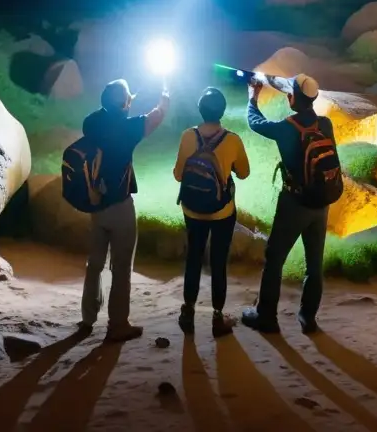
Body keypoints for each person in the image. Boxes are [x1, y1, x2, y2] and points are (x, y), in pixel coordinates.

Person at [79, 78, 170, 342]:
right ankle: (118, 323)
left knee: (94, 263)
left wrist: (118, 102)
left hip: (96, 205)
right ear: (125, 103)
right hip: (120, 206)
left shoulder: (91, 124)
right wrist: (165, 95)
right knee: (121, 267)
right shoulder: (129, 128)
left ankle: (87, 318)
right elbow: (157, 116)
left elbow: (104, 113)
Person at [241, 74, 333, 335]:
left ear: (293, 98)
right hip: (321, 203)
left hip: (295, 202)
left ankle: (266, 317)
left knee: (275, 258)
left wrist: (253, 96)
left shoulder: (287, 127)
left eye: (290, 94)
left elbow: (255, 122)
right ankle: (308, 317)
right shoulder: (325, 125)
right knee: (314, 263)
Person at [173, 87, 251, 338]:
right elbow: (244, 172)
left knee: (193, 258)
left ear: (200, 110)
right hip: (222, 212)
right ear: (222, 112)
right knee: (218, 261)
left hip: (192, 209)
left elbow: (178, 175)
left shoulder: (188, 136)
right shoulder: (233, 140)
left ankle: (188, 311)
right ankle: (218, 317)